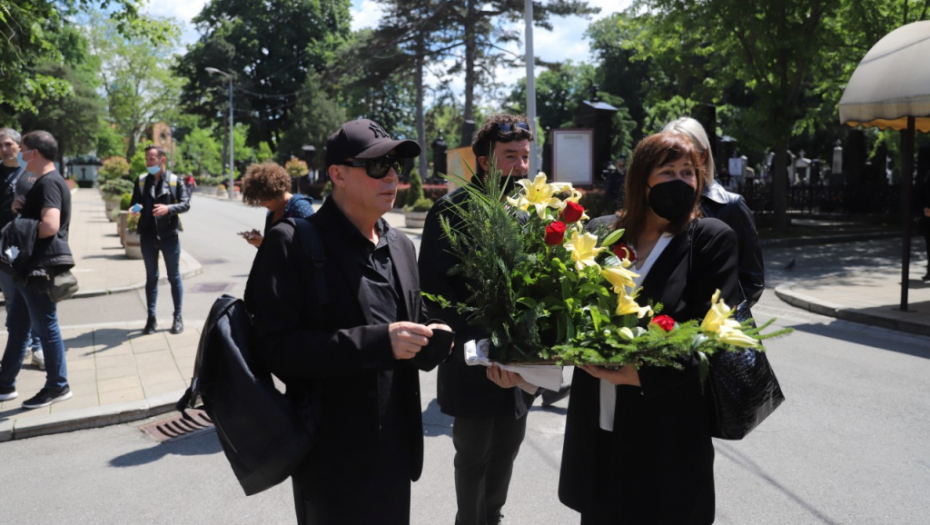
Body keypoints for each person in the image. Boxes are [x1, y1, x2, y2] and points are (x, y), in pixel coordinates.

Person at [244, 118, 452, 525]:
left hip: (395, 453)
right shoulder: (292, 242)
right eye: (378, 167)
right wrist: (379, 342)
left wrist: (434, 337)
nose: (392, 176)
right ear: (337, 174)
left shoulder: (402, 245)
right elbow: (273, 349)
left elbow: (414, 319)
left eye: (397, 166)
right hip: (330, 461)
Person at [559, 132, 742, 524]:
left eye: (689, 172)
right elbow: (571, 311)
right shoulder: (604, 233)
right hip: (601, 426)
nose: (681, 181)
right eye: (667, 171)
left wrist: (642, 375)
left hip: (667, 432)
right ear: (642, 180)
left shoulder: (709, 240)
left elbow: (712, 336)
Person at [419, 114, 543, 525]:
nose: (522, 167)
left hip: (519, 367)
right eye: (511, 156)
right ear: (486, 161)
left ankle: (493, 517)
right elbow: (435, 294)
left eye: (525, 157)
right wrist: (485, 349)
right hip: (475, 366)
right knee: (473, 456)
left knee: (507, 450)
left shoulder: (527, 215)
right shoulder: (450, 212)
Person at [0, 131, 75, 409]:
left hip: (38, 270)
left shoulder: (50, 183)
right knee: (19, 326)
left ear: (35, 153)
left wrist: (19, 227)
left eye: (24, 149)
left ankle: (58, 385)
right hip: (26, 269)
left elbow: (50, 226)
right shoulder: (40, 183)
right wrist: (21, 210)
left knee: (46, 327)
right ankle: (5, 382)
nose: (20, 152)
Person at [663, 117, 765, 306]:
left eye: (688, 155)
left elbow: (752, 281)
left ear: (703, 156)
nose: (678, 162)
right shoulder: (656, 204)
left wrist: (714, 321)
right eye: (670, 155)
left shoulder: (731, 206)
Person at [129, 145, 190, 335]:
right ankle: (151, 318)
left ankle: (177, 317)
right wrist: (136, 208)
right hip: (147, 236)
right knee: (151, 278)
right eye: (147, 159)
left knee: (174, 277)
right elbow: (135, 203)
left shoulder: (174, 181)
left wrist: (168, 209)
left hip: (169, 236)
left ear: (162, 160)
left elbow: (186, 204)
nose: (148, 163)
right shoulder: (141, 181)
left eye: (151, 159)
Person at [0, 128, 44, 370]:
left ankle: (38, 348)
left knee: (32, 299)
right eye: (0, 146)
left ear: (19, 146)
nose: (4, 149)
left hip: (27, 246)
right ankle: (21, 345)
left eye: (8, 144)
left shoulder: (31, 172)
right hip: (3, 249)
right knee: (11, 300)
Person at [238, 162, 314, 247]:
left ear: (275, 192)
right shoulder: (271, 212)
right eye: (259, 200)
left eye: (264, 199)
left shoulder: (300, 207)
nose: (262, 204)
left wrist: (264, 243)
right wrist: (260, 243)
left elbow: (313, 246)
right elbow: (274, 252)